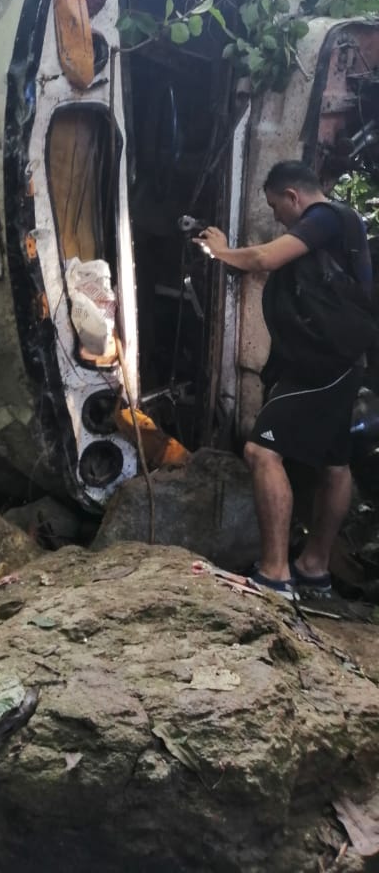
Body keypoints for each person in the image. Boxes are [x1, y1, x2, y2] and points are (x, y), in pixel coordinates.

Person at [194, 161, 372, 599]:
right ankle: (314, 568)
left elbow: (262, 258)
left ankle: (275, 575)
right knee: (334, 462)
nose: (276, 216)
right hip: (340, 362)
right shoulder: (340, 224)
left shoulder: (326, 218)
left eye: (276, 206)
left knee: (261, 450)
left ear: (294, 196)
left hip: (323, 366)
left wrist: (219, 250)